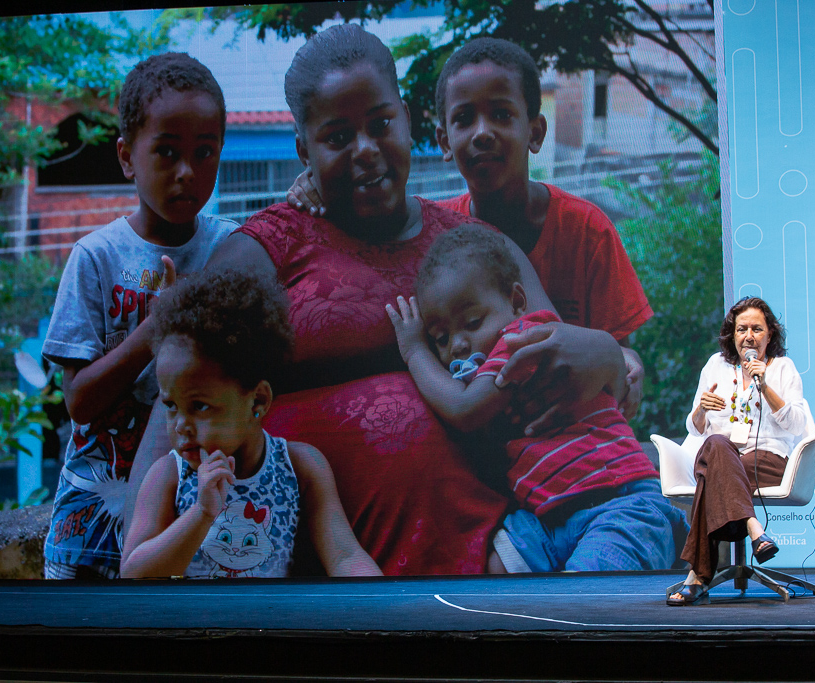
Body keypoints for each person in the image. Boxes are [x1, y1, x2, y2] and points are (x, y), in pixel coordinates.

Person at [126, 24, 632, 576]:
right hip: (300, 574)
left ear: (409, 122)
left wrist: (607, 352)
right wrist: (136, 563)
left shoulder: (470, 249)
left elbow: (560, 362)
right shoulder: (266, 251)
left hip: (499, 559)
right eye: (338, 138)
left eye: (381, 125)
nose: (366, 151)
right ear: (304, 149)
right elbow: (174, 401)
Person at [286, 37, 651, 419]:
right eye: (463, 119)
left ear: (536, 132)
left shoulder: (587, 231)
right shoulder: (436, 238)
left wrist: (622, 360)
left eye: (501, 115)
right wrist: (313, 185)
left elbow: (619, 352)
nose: (481, 133)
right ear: (444, 140)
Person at [386, 225, 685, 572]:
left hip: (618, 502)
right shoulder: (481, 361)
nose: (458, 344)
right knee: (499, 568)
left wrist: (415, 351)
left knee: (589, 595)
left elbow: (463, 408)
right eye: (440, 337)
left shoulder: (522, 340)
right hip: (549, 515)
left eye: (472, 321)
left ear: (516, 303)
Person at [42, 53, 236, 579]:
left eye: (204, 153)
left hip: (190, 517)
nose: (186, 173)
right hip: (93, 518)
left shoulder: (231, 248)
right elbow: (79, 401)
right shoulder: (96, 258)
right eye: (167, 153)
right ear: (127, 157)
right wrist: (155, 331)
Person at [120, 269, 381, 578]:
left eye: (199, 406)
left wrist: (389, 606)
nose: (180, 426)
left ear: (257, 401)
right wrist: (201, 514)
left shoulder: (299, 467)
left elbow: (345, 557)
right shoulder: (169, 476)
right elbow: (133, 573)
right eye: (171, 406)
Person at [666, 297, 806, 605]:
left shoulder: (782, 368)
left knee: (710, 477)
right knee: (716, 445)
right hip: (720, 455)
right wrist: (701, 408)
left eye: (757, 329)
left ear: (770, 334)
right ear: (733, 334)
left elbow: (797, 424)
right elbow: (695, 427)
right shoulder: (715, 365)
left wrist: (765, 385)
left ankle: (697, 576)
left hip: (767, 459)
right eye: (742, 329)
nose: (749, 336)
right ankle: (755, 528)